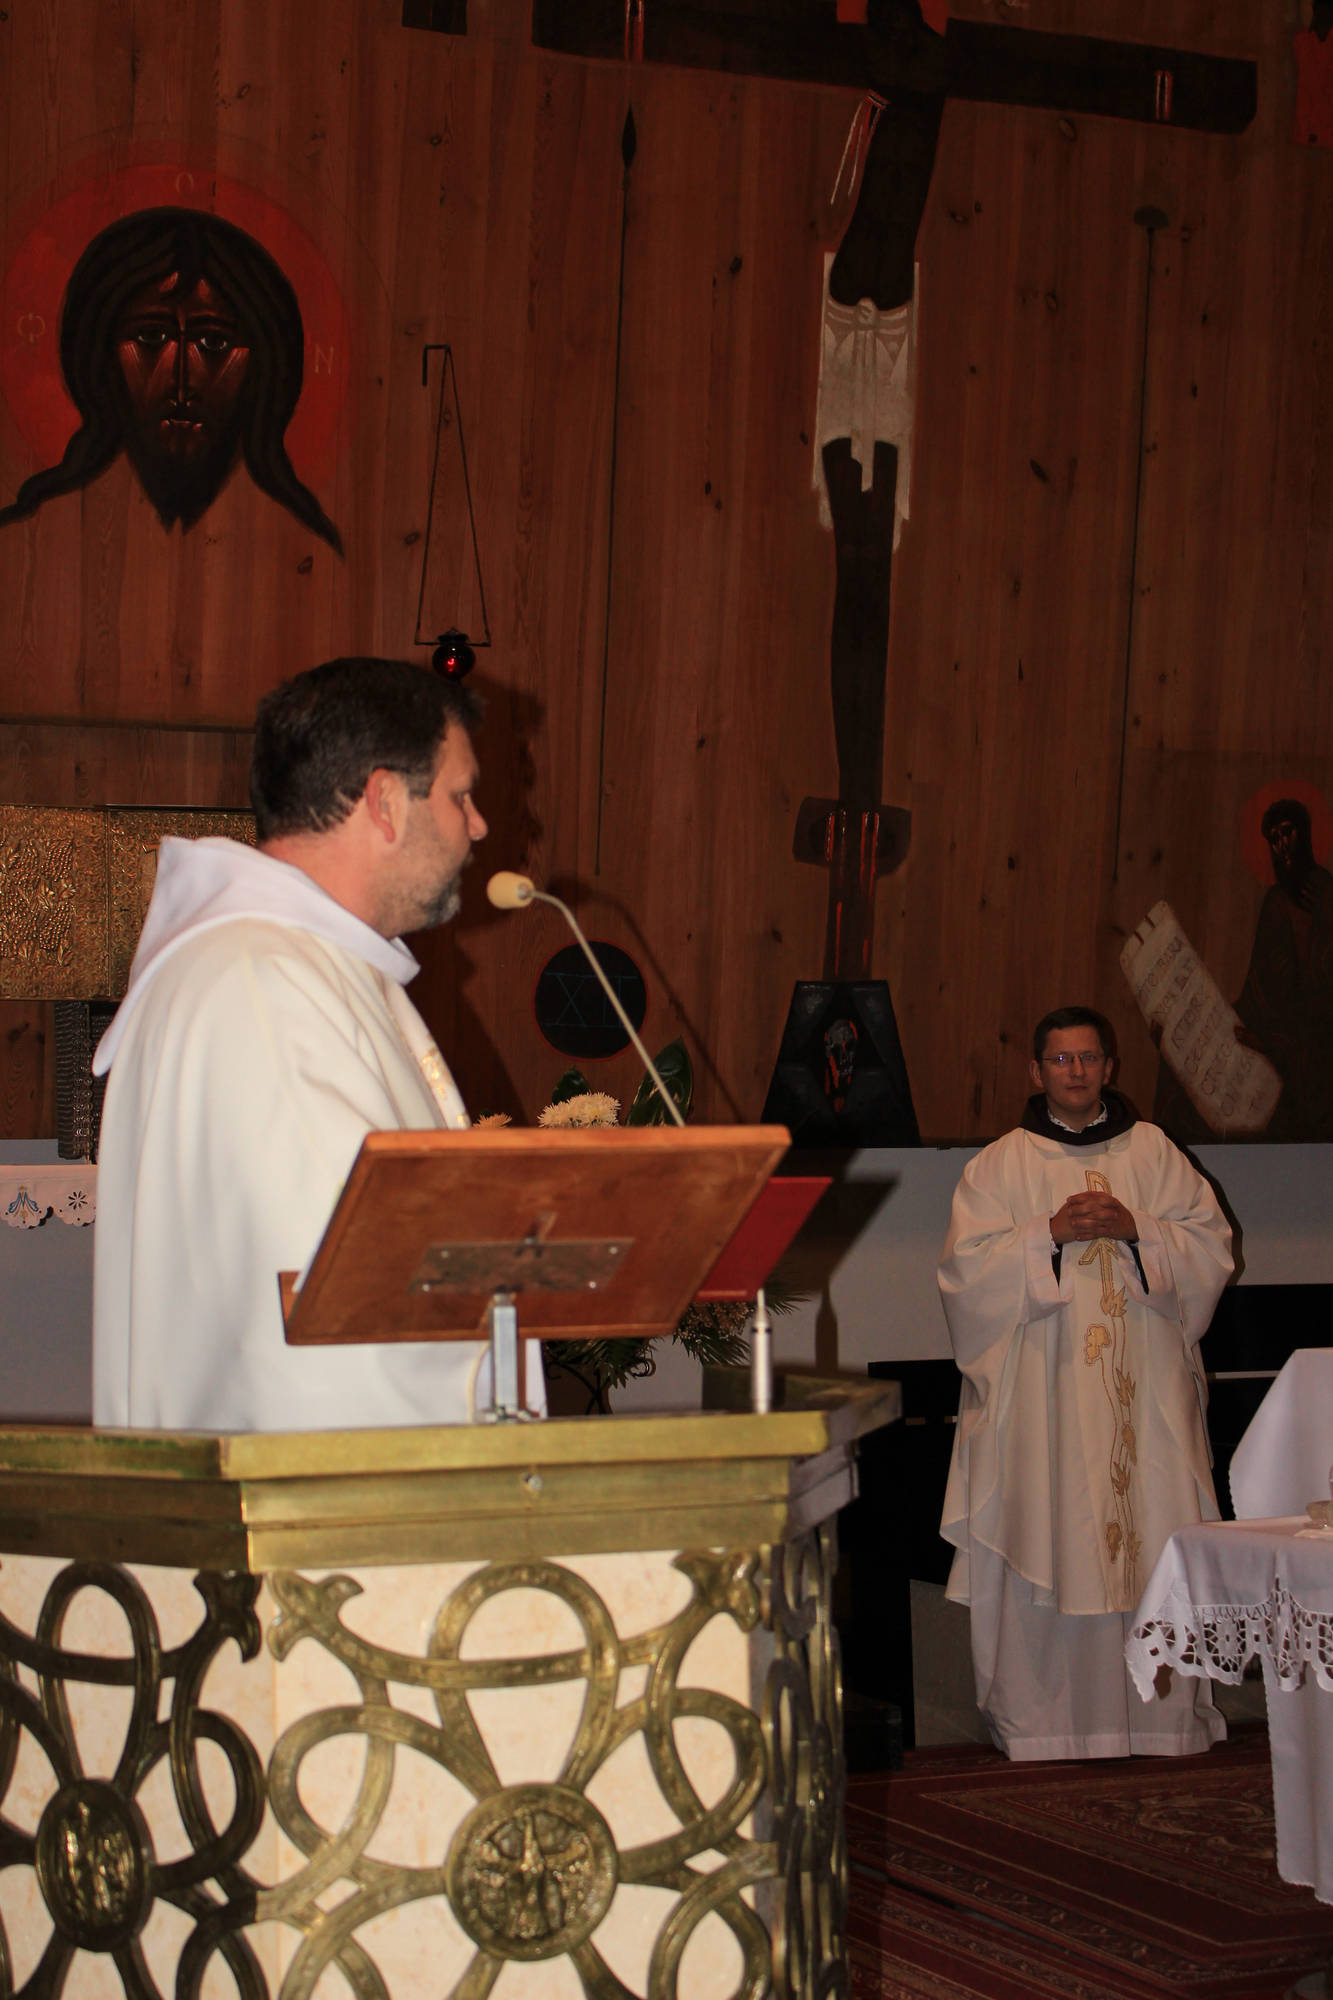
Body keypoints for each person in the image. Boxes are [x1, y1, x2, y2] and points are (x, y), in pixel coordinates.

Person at [92, 654, 534, 1432]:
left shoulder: (285, 967)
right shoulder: (261, 985)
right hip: (311, 1491)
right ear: (385, 801)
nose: (477, 826)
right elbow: (340, 1299)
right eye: (459, 795)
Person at [938, 1005, 1233, 1760]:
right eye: (1061, 1059)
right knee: (1050, 1527)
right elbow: (963, 1277)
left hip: (1146, 1398)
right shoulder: (999, 1166)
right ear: (1036, 1070)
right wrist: (1046, 1234)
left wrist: (1138, 1230)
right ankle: (1047, 1727)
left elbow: (1210, 1248)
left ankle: (1161, 1723)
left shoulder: (1154, 1152)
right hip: (1045, 1399)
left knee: (1155, 1532)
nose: (1076, 1071)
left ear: (1109, 1066)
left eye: (1089, 1058)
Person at [0, 207, 342, 551]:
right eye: (151, 337)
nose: (181, 379)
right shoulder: (29, 541)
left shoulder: (305, 553)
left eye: (214, 342)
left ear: (265, 363)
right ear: (100, 355)